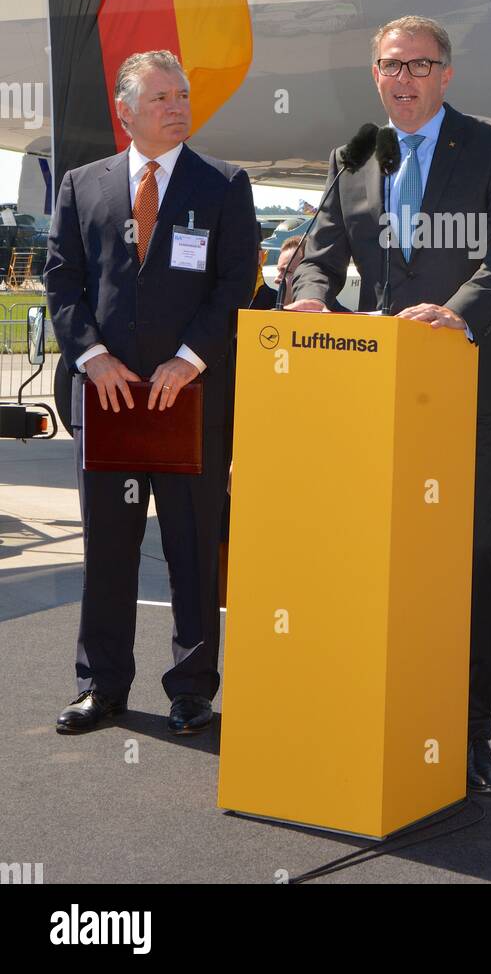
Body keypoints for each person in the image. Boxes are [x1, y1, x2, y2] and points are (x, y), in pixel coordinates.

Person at [287, 14, 491, 794]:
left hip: (462, 386)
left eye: (420, 66)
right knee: (380, 559)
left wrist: (457, 312)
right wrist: (310, 300)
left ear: (446, 74)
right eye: (391, 66)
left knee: (465, 557)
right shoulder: (354, 154)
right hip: (370, 393)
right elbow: (320, 252)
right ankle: (387, 713)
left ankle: (468, 733)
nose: (404, 80)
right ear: (376, 74)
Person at [45, 50, 258, 737]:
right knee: (107, 548)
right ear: (126, 111)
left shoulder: (224, 183)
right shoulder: (83, 185)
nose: (177, 106)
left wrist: (190, 359)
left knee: (194, 548)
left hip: (188, 398)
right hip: (108, 399)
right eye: (161, 97)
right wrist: (93, 356)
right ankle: (101, 687)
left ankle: (192, 689)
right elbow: (62, 281)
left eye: (182, 95)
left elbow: (236, 284)